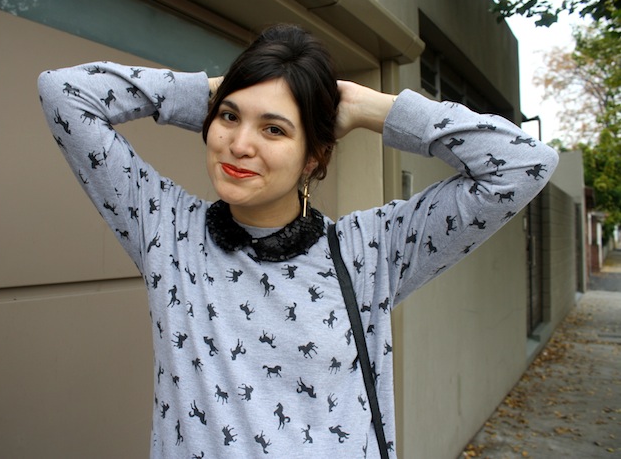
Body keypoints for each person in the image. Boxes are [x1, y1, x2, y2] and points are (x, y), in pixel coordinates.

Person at [38, 23, 558, 458]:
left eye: (274, 129)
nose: (240, 145)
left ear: (313, 157)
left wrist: (370, 107)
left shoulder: (370, 250)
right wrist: (210, 93)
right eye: (229, 118)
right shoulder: (166, 230)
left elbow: (524, 163)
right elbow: (64, 92)